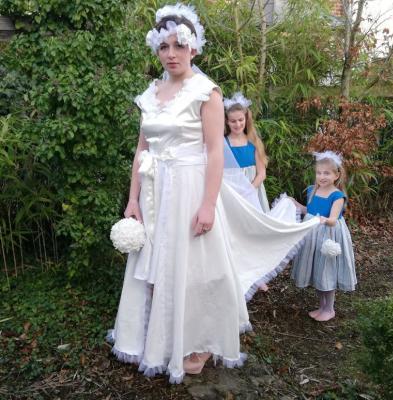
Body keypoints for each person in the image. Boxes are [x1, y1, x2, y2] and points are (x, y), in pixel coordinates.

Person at [107, 3, 319, 383]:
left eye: (178, 45)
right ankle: (160, 338)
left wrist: (207, 204)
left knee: (198, 269)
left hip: (190, 190)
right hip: (155, 193)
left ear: (193, 48)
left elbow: (214, 151)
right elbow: (142, 151)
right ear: (156, 49)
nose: (171, 54)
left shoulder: (207, 92)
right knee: (154, 267)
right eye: (164, 46)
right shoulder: (151, 93)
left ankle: (200, 341)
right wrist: (133, 198)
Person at [290, 151, 357, 322]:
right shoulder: (313, 190)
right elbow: (309, 210)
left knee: (327, 270)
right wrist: (295, 204)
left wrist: (323, 220)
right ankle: (321, 306)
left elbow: (333, 220)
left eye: (326, 173)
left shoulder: (337, 196)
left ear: (336, 175)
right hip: (312, 235)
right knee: (317, 270)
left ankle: (329, 308)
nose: (322, 176)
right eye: (319, 173)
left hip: (329, 236)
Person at [224, 92, 270, 213]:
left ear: (246, 118)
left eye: (241, 120)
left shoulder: (253, 142)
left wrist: (248, 191)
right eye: (233, 121)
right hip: (230, 193)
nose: (238, 124)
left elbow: (262, 173)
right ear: (227, 121)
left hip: (251, 192)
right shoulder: (223, 144)